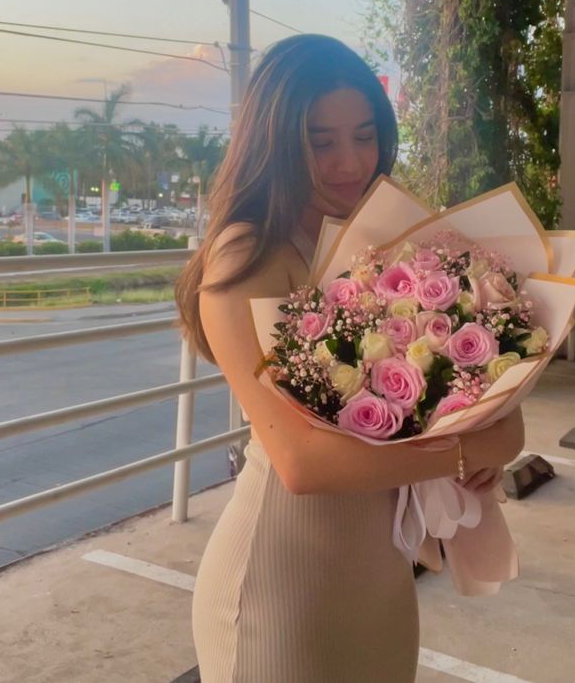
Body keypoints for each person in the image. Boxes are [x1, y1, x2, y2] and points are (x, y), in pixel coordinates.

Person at [177, 34, 524, 683]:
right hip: (284, 585)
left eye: (364, 135)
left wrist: (474, 442)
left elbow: (505, 429)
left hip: (384, 572)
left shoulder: (389, 248)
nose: (350, 161)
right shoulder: (247, 257)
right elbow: (303, 462)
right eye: (321, 140)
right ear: (275, 141)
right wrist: (455, 453)